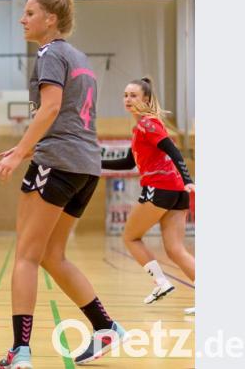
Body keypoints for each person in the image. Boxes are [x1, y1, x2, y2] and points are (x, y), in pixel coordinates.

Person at [0, 0, 126, 368]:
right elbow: (65, 115)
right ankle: (106, 327)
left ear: (50, 19)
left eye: (29, 13)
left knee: (26, 256)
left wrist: (20, 156)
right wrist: (22, 145)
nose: (22, 19)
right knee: (52, 256)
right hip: (85, 166)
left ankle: (21, 350)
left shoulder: (49, 54)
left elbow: (50, 109)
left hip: (58, 162)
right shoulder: (79, 57)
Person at [102, 77, 195, 314]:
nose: (128, 99)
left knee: (130, 237)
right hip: (175, 192)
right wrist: (94, 162)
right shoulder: (142, 128)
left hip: (162, 188)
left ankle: (161, 283)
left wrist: (188, 180)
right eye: (125, 95)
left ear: (145, 99)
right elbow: (126, 162)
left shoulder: (147, 125)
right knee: (175, 249)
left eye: (133, 95)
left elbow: (173, 150)